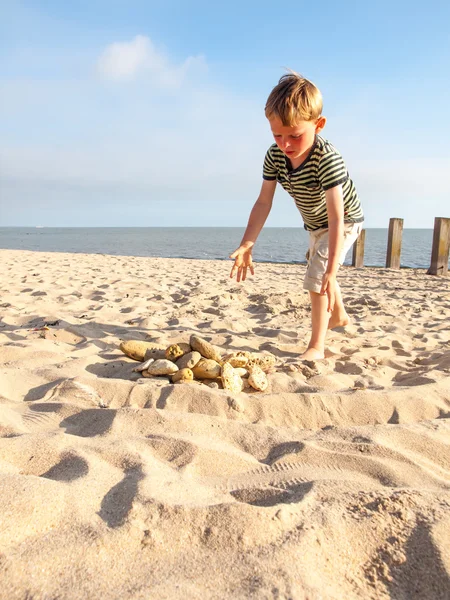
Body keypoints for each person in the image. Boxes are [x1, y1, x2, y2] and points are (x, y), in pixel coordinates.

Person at [229, 71, 364, 360]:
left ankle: (317, 346)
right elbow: (264, 201)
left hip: (344, 221)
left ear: (319, 125)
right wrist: (247, 243)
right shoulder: (275, 156)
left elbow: (337, 217)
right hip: (315, 224)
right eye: (277, 134)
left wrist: (331, 270)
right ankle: (338, 315)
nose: (285, 144)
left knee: (320, 275)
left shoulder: (327, 159)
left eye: (295, 135)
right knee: (320, 268)